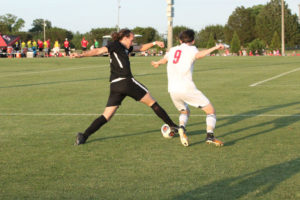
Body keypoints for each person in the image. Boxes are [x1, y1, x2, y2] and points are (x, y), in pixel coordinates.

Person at [71, 29, 185, 146]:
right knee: (152, 103)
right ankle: (173, 126)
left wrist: (154, 43)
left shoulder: (125, 48)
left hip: (115, 85)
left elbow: (140, 48)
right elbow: (98, 50)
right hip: (126, 82)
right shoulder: (115, 45)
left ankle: (83, 136)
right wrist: (81, 55)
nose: (133, 41)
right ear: (125, 37)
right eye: (131, 39)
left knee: (106, 115)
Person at [151, 29, 224, 147]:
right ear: (193, 40)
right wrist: (214, 48)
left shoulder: (173, 49)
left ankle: (181, 128)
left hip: (172, 89)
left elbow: (164, 60)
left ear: (180, 40)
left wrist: (157, 63)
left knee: (185, 111)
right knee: (210, 111)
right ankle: (210, 135)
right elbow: (199, 55)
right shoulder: (192, 49)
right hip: (187, 88)